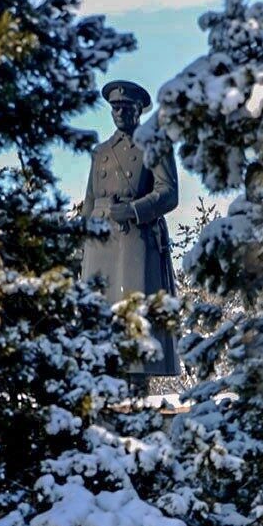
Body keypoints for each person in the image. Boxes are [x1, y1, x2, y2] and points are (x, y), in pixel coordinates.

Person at [81, 80, 180, 378]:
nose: (120, 112)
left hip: (136, 240)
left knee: (138, 314)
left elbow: (169, 192)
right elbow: (88, 201)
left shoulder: (155, 146)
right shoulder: (100, 152)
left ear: (139, 110)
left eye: (126, 107)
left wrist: (136, 210)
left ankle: (137, 382)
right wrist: (80, 244)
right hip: (101, 243)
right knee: (101, 314)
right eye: (115, 107)